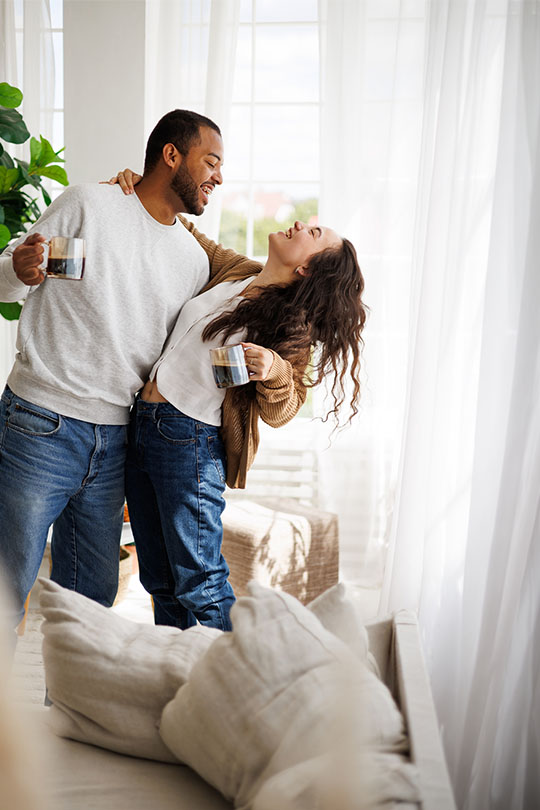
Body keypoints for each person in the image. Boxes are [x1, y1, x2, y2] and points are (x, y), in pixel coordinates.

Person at [0, 109, 262, 628]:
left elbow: (262, 286)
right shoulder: (88, 203)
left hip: (117, 440)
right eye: (211, 162)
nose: (219, 177)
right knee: (7, 589)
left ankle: (72, 689)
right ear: (172, 155)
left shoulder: (194, 260)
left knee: (90, 604)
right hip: (40, 423)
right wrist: (18, 269)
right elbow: (10, 277)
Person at [113, 172, 367, 632]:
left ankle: (240, 670)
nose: (301, 224)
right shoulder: (238, 272)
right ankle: (180, 669)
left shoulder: (291, 325)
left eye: (313, 233)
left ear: (308, 270)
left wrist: (273, 369)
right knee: (159, 580)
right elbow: (188, 233)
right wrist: (146, 187)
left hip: (189, 441)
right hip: (143, 423)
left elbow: (284, 409)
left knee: (201, 583)